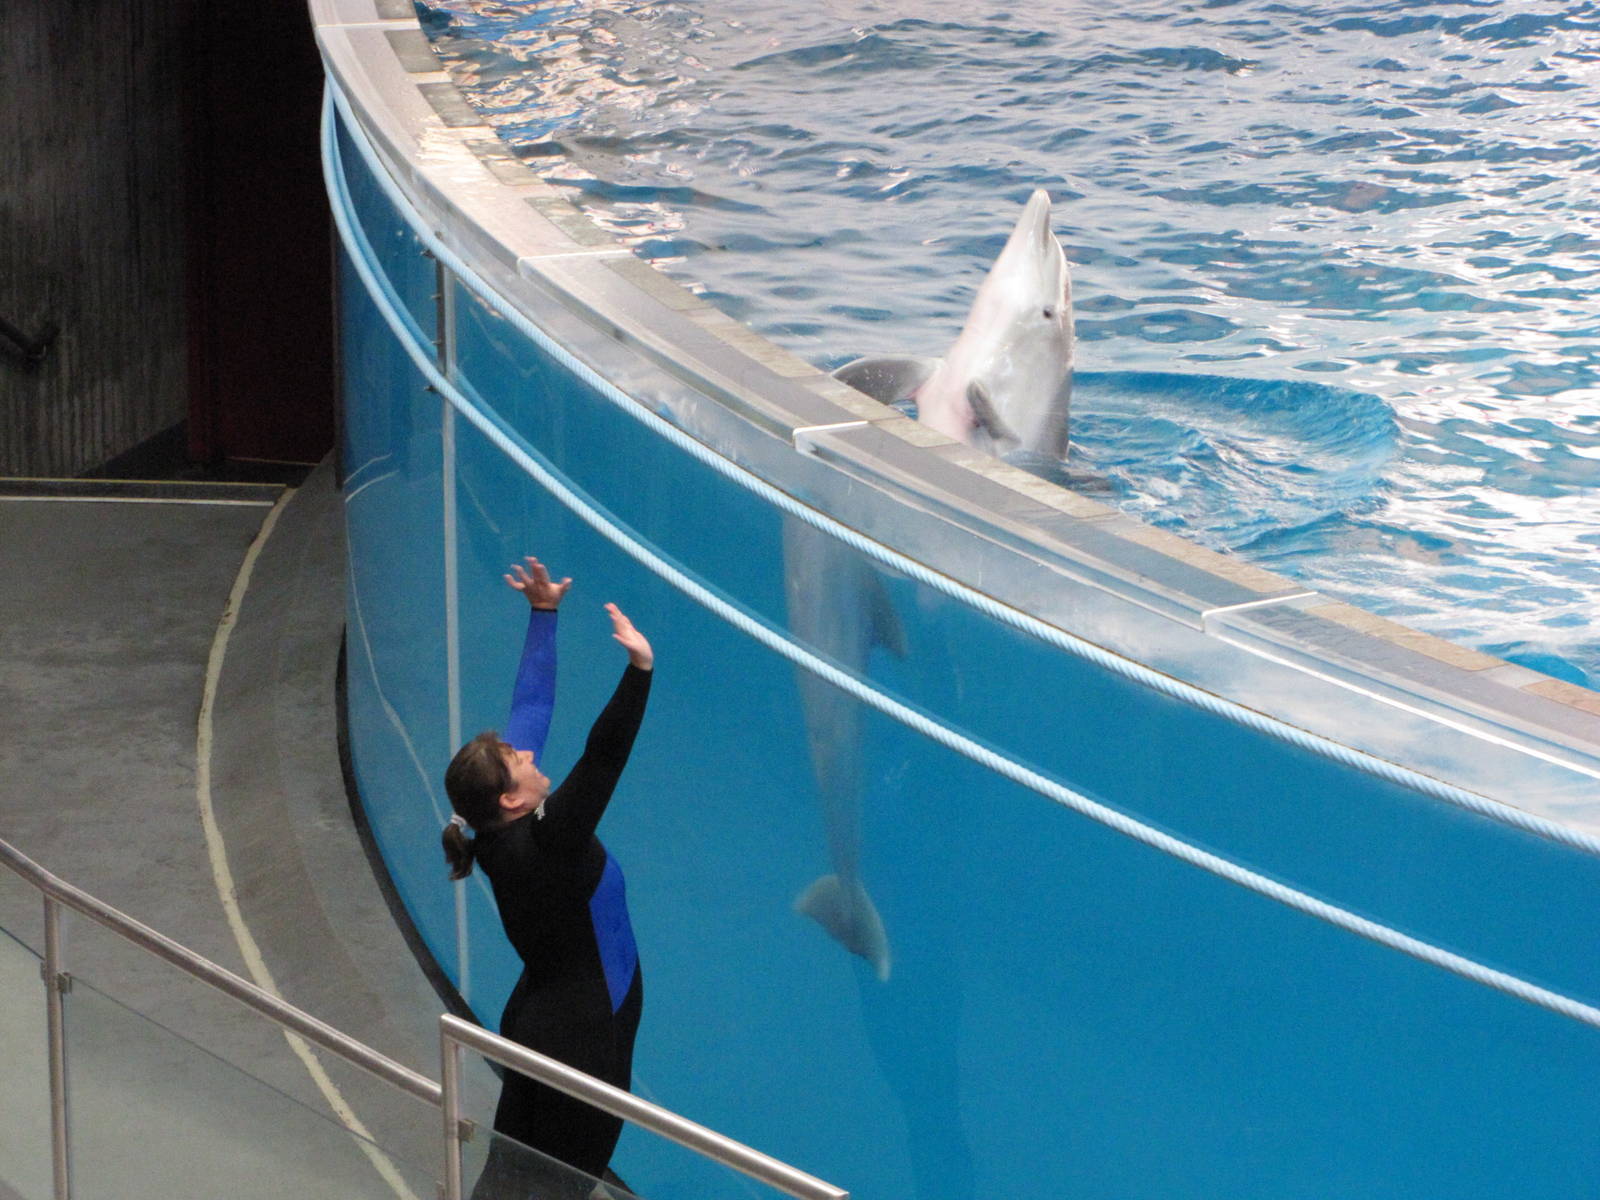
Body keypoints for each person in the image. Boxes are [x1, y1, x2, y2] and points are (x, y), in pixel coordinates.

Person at [441, 555, 654, 1198]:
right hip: (586, 1040)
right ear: (510, 797)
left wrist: (543, 614)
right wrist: (639, 670)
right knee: (561, 1184)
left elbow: (530, 706)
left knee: (511, 1170)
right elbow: (604, 755)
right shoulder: (551, 839)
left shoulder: (495, 831)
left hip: (539, 1018)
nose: (531, 755)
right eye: (518, 761)